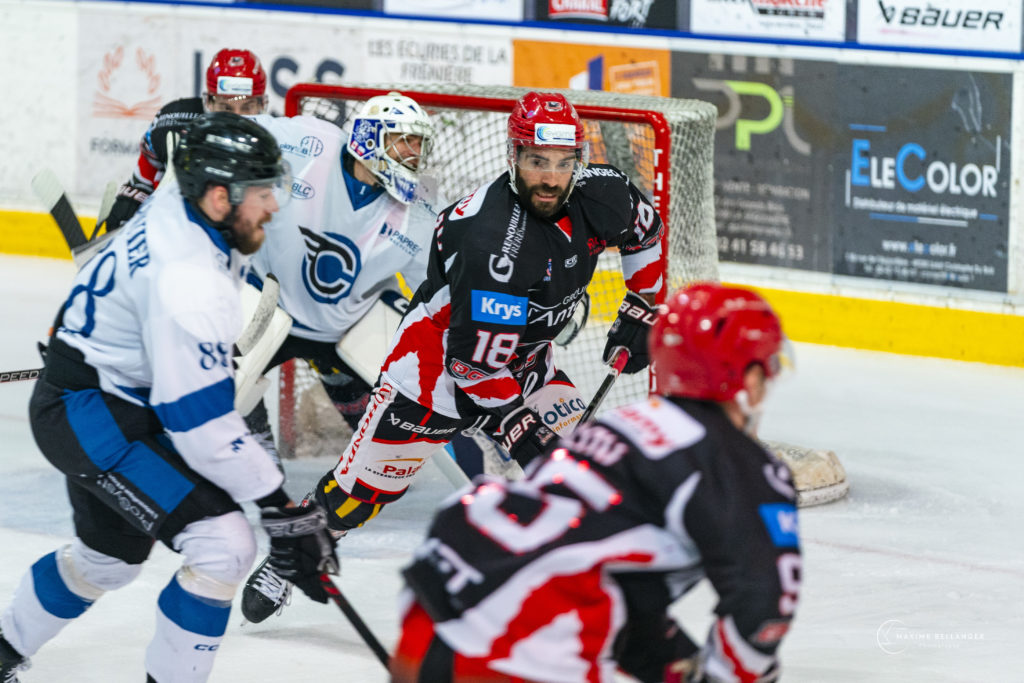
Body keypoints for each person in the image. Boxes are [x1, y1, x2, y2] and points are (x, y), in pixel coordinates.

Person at [241, 90, 665, 621]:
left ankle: (576, 587)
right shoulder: (493, 244)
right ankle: (290, 556)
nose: (551, 178)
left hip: (528, 361)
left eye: (562, 163)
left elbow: (645, 232)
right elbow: (473, 366)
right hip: (432, 377)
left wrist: (643, 305)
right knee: (356, 498)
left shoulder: (602, 192)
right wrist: (519, 429)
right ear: (513, 156)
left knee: (583, 466)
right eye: (537, 161)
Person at [0, 113, 337, 683]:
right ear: (215, 196)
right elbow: (201, 427)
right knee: (224, 545)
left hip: (113, 396)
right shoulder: (189, 281)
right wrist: (281, 507)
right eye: (260, 193)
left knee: (105, 562)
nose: (272, 206)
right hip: (93, 417)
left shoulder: (176, 203)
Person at [391, 282, 803, 683]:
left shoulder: (616, 427)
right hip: (527, 648)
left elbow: (616, 590)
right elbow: (764, 602)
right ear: (748, 379)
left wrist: (678, 666)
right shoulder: (741, 466)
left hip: (434, 609)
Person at [238, 91, 443, 455]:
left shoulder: (422, 207)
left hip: (347, 327)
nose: (413, 152)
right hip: (267, 308)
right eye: (403, 140)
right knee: (221, 396)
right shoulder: (308, 143)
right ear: (369, 138)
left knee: (394, 434)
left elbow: (434, 290)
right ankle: (262, 468)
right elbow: (238, 129)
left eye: (419, 143)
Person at [104, 48, 270, 232]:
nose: (237, 119)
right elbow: (143, 180)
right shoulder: (173, 122)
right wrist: (129, 208)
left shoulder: (274, 145)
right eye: (226, 107)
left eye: (247, 107)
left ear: (262, 105)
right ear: (209, 103)